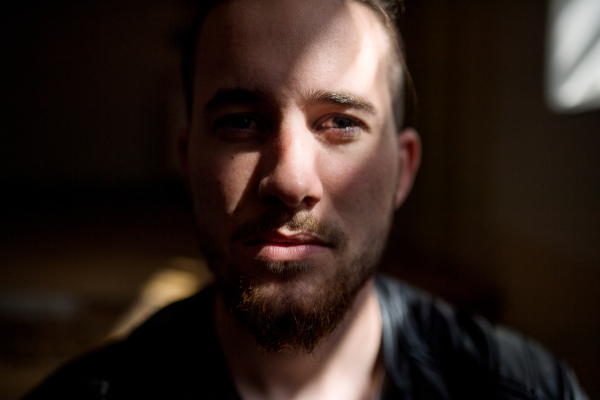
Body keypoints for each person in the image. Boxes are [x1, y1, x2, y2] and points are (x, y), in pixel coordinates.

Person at [24, 0, 588, 399]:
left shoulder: (529, 389)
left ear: (403, 171)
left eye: (341, 123)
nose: (291, 181)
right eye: (241, 122)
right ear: (186, 160)